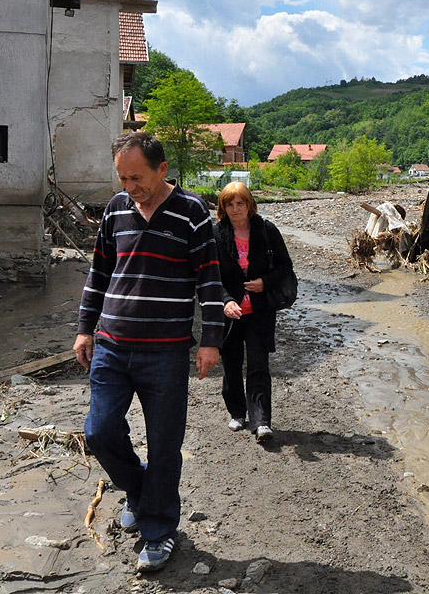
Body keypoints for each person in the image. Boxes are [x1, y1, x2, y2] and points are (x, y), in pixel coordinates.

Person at [74, 131, 224, 574]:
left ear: (162, 170)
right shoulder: (115, 209)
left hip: (165, 352)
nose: (129, 187)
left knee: (164, 445)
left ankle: (159, 532)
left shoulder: (192, 213)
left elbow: (210, 281)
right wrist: (85, 330)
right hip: (112, 346)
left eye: (137, 178)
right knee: (99, 431)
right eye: (122, 178)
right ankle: (139, 492)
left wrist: (211, 339)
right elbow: (98, 272)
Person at [213, 181, 293, 444]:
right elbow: (209, 276)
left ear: (249, 205)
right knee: (231, 365)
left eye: (240, 203)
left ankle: (261, 422)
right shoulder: (216, 235)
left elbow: (285, 266)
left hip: (260, 311)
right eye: (230, 204)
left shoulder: (266, 230)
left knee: (259, 365)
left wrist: (264, 283)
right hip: (230, 315)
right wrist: (225, 301)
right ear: (223, 208)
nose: (236, 209)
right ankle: (237, 411)